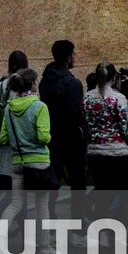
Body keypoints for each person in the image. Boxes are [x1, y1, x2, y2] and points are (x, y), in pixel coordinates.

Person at [0, 68, 56, 254]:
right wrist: (47, 136)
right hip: (39, 161)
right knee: (42, 205)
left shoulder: (9, 107)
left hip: (17, 161)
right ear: (32, 84)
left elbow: (3, 138)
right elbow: (43, 136)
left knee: (15, 204)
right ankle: (45, 246)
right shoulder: (40, 107)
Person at [39, 39, 87, 236]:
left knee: (53, 180)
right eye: (74, 54)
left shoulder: (45, 81)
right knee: (78, 182)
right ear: (68, 57)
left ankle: (49, 218)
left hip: (52, 136)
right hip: (71, 138)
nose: (75, 57)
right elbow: (76, 114)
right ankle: (78, 222)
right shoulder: (73, 83)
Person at [83, 62, 128, 223]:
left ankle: (102, 232)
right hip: (118, 152)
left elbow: (85, 123)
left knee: (103, 193)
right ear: (113, 78)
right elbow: (126, 127)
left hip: (94, 152)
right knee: (127, 193)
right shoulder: (119, 98)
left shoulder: (87, 98)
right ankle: (117, 231)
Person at [0, 51, 30, 189]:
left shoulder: (0, 85)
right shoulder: (23, 85)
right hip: (18, 135)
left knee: (7, 176)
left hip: (2, 134)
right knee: (16, 180)